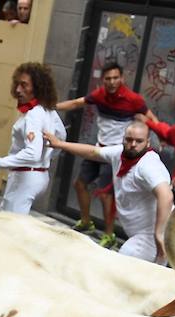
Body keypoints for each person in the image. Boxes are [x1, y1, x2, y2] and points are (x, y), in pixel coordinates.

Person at [44, 121, 173, 263]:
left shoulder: (148, 165)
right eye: (129, 140)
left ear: (148, 143)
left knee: (125, 260)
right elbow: (93, 152)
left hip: (156, 232)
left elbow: (166, 195)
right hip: (145, 232)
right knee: (149, 274)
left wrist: (159, 234)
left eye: (139, 141)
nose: (133, 144)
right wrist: (60, 144)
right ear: (123, 139)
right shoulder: (119, 153)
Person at [56, 62, 154, 247]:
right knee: (79, 184)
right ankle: (86, 222)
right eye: (108, 78)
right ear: (103, 80)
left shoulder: (133, 99)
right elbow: (77, 103)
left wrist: (160, 137)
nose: (112, 82)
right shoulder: (99, 95)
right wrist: (52, 106)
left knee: (105, 195)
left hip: (117, 153)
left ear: (122, 79)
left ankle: (109, 235)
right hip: (99, 149)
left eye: (115, 78)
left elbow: (151, 118)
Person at [0, 62, 65, 214]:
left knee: (9, 229)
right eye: (17, 84)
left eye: (24, 85)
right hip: (38, 175)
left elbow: (32, 153)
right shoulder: (47, 110)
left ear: (38, 87)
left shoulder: (33, 115)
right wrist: (46, 158)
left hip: (25, 177)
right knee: (3, 220)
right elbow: (61, 137)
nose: (18, 90)